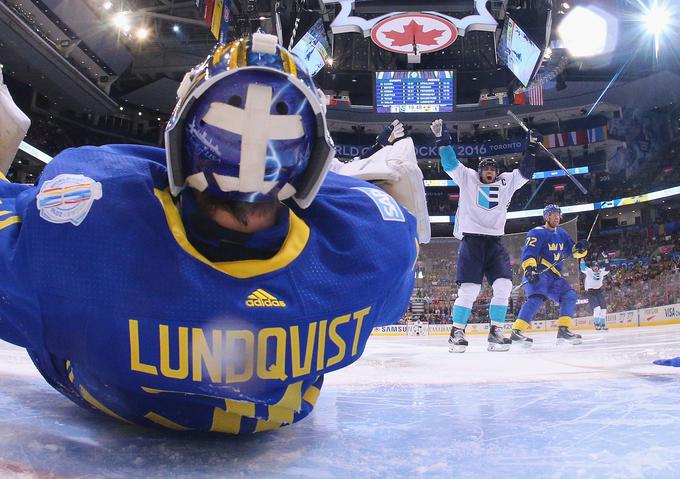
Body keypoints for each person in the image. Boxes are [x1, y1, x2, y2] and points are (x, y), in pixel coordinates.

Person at [0, 33, 427, 434]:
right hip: (277, 410)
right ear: (311, 164)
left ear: (182, 145)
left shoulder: (86, 238)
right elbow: (392, 284)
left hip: (103, 386)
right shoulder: (371, 247)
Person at [429, 119, 541, 353]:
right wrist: (442, 140)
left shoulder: (506, 181)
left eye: (492, 169)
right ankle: (456, 332)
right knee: (469, 290)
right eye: (485, 169)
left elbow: (526, 172)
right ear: (479, 171)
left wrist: (531, 148)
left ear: (497, 172)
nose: (489, 172)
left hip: (494, 243)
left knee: (504, 285)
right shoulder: (468, 178)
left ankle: (496, 332)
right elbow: (450, 163)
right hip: (472, 241)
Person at [510, 204, 589, 346]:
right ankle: (517, 331)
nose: (557, 217)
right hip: (539, 272)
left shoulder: (562, 233)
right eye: (554, 214)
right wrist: (529, 269)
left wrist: (581, 249)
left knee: (569, 295)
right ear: (546, 217)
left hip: (554, 276)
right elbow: (529, 252)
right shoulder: (537, 232)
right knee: (536, 298)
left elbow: (573, 252)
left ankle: (563, 330)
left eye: (559, 214)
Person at [580, 259, 610, 330]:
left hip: (599, 291)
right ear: (591, 267)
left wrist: (606, 259)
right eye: (594, 266)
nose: (595, 267)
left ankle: (603, 325)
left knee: (603, 309)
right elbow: (582, 268)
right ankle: (596, 324)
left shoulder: (601, 272)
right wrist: (582, 260)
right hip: (591, 293)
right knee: (597, 309)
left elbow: (608, 268)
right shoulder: (589, 271)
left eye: (596, 266)